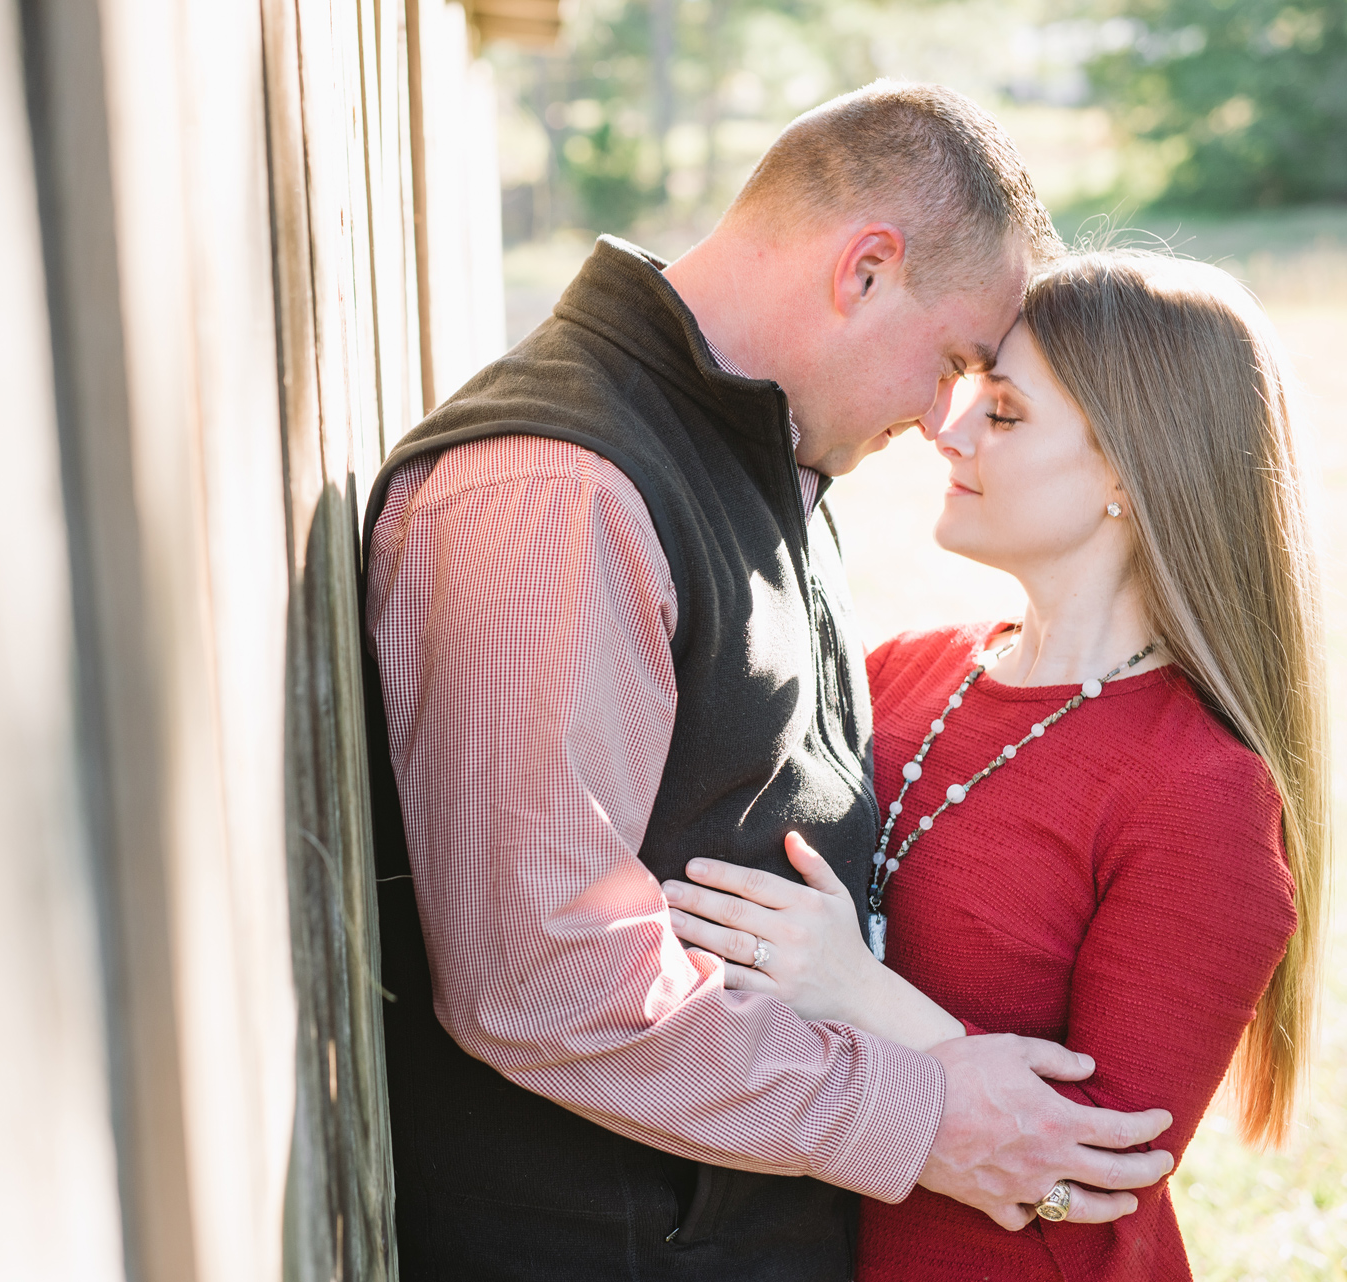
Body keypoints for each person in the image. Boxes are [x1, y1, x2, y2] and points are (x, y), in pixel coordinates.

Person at [361, 82, 1175, 1281]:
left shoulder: (760, 455)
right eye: (952, 359)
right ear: (865, 270)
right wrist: (922, 1117)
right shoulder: (555, 491)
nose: (940, 415)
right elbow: (545, 976)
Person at [664, 249, 1327, 1279]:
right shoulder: (902, 672)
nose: (948, 429)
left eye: (1005, 414)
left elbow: (1099, 1184)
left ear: (1126, 470)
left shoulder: (1201, 794)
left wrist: (857, 989)